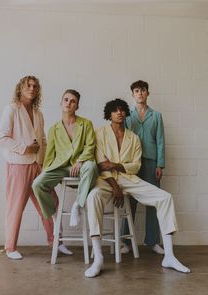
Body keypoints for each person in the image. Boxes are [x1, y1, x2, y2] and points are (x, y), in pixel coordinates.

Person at [85, 98, 190, 278]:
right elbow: (101, 164)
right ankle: (99, 258)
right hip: (107, 181)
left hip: (128, 179)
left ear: (126, 113)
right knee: (92, 198)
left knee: (165, 198)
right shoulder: (99, 133)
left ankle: (170, 256)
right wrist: (115, 185)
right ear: (109, 114)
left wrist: (116, 165)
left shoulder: (134, 138)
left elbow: (135, 166)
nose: (119, 113)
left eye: (122, 110)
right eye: (115, 110)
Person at [0, 75, 57, 260]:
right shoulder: (11, 109)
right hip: (18, 165)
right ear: (20, 88)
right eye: (28, 85)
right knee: (16, 207)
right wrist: (25, 148)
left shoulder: (38, 112)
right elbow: (2, 137)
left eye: (35, 86)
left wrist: (43, 163)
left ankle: (55, 242)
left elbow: (43, 141)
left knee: (50, 203)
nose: (32, 88)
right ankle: (10, 247)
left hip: (37, 166)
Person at [32, 89, 98, 235]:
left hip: (81, 165)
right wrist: (46, 172)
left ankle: (78, 204)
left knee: (92, 166)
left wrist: (80, 161)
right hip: (61, 167)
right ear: (61, 103)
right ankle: (55, 215)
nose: (69, 103)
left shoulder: (86, 124)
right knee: (37, 184)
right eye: (66, 100)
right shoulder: (53, 129)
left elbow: (90, 146)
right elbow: (50, 155)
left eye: (73, 101)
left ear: (77, 106)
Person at [121, 80, 165, 255]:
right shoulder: (127, 116)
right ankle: (125, 241)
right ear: (132, 94)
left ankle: (153, 241)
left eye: (143, 90)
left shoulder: (156, 116)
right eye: (136, 91)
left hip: (151, 161)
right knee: (128, 200)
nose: (140, 93)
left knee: (153, 201)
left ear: (148, 93)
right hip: (132, 163)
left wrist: (160, 164)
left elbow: (161, 141)